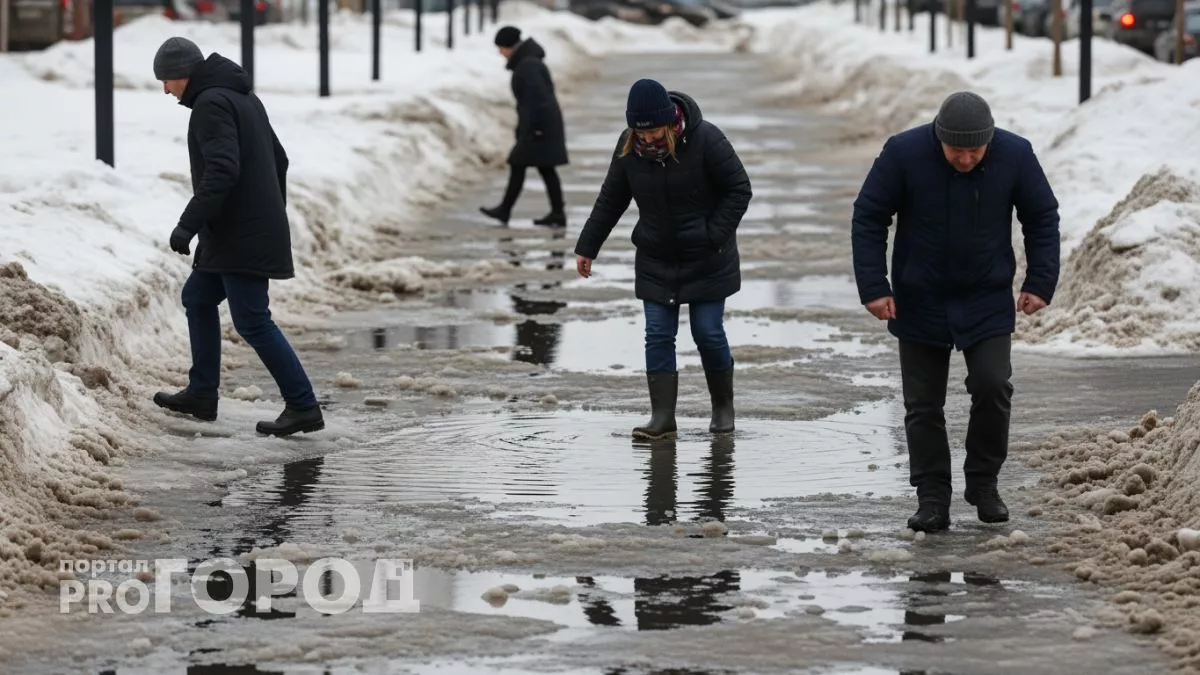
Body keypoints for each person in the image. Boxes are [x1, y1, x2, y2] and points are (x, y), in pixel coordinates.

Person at [850, 91, 1060, 533]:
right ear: (938, 138)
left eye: (974, 151)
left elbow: (1041, 216)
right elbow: (869, 216)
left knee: (992, 384)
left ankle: (983, 484)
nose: (965, 159)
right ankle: (932, 498)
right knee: (923, 405)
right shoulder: (903, 153)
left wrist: (1040, 281)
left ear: (989, 141)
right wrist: (874, 286)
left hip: (985, 296)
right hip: (919, 296)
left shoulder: (1015, 154)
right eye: (955, 151)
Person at [150, 37, 324, 437]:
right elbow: (279, 158)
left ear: (183, 74)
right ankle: (202, 394)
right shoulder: (243, 97)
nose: (165, 90)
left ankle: (303, 405)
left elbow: (222, 171)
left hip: (240, 233)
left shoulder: (211, 105)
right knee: (197, 297)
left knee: (252, 320)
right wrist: (266, 210)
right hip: (240, 230)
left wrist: (188, 224)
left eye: (166, 80)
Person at [573, 79, 752, 439]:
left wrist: (712, 234)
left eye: (654, 132)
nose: (648, 140)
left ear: (670, 121)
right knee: (657, 334)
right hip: (656, 257)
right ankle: (662, 418)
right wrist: (587, 246)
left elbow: (739, 189)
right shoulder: (628, 148)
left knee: (708, 332)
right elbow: (611, 199)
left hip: (707, 257)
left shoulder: (706, 140)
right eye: (640, 133)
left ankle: (722, 408)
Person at [479, 25, 569, 228]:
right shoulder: (528, 63)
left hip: (540, 125)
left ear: (509, 47)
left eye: (500, 47)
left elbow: (537, 101)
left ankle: (507, 209)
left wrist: (534, 129)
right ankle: (556, 212)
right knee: (542, 168)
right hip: (541, 124)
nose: (499, 52)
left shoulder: (527, 66)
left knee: (520, 163)